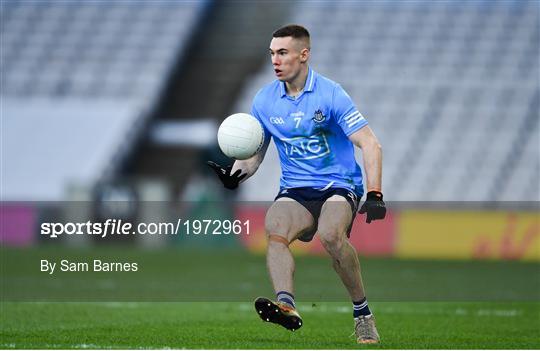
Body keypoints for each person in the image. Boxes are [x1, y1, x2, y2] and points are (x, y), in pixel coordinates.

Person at [208, 24, 386, 344]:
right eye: (272, 54)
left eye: (283, 53)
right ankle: (287, 305)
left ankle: (363, 314)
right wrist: (235, 175)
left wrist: (375, 193)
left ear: (303, 55)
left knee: (331, 236)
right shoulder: (264, 100)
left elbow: (370, 144)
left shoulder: (331, 94)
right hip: (296, 189)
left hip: (338, 184)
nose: (275, 60)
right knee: (275, 226)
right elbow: (253, 155)